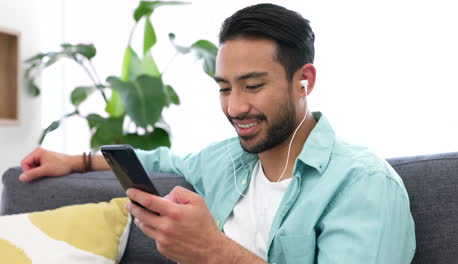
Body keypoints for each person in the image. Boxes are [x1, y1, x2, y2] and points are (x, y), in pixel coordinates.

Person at [19, 3, 415, 264]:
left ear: (304, 81)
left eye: (253, 86)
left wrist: (213, 250)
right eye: (224, 88)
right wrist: (74, 161)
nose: (234, 107)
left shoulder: (363, 185)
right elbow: (162, 161)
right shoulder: (227, 161)